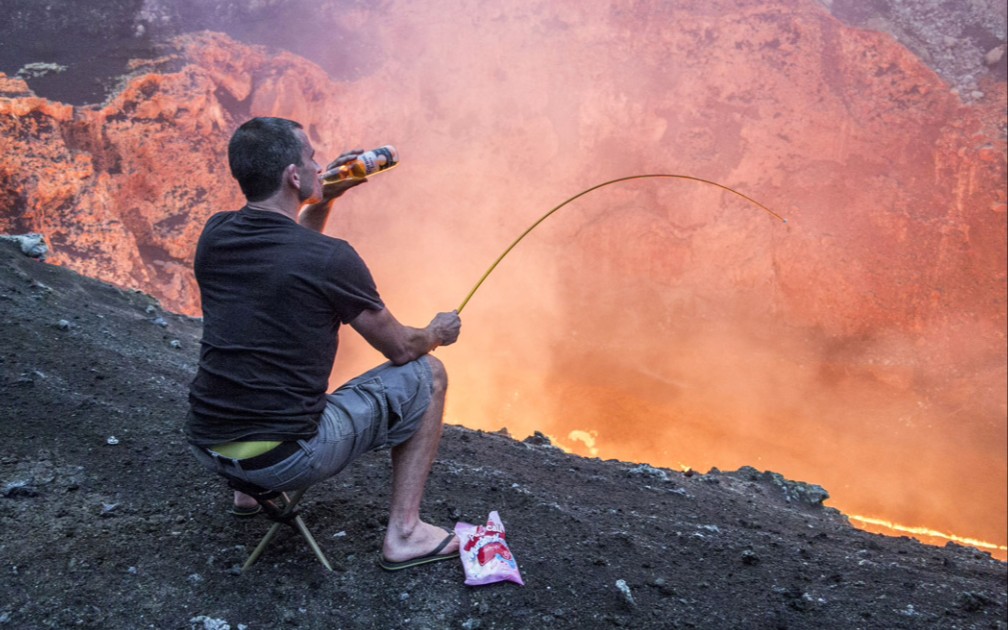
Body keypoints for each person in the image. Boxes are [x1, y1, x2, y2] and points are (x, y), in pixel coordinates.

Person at [185, 117, 462, 571]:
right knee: (427, 374)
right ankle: (406, 534)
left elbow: (288, 259)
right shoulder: (332, 259)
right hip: (284, 459)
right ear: (293, 176)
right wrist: (436, 332)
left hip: (208, 444)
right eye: (312, 158)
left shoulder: (215, 234)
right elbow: (400, 349)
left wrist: (325, 198)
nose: (320, 165)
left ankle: (247, 496)